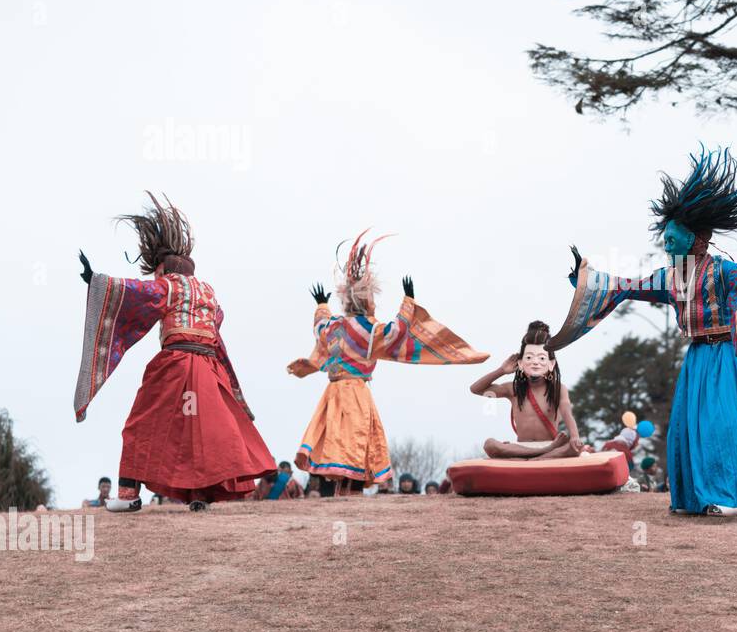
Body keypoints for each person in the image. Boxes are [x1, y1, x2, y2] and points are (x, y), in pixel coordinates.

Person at [548, 146, 737, 518]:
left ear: (698, 240)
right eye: (667, 239)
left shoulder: (722, 271)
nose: (668, 244)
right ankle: (693, 498)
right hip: (696, 357)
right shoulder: (670, 277)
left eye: (674, 239)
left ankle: (726, 495)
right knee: (685, 428)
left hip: (727, 355)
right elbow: (624, 286)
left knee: (718, 424)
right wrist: (583, 278)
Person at [74, 193, 272, 512]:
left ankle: (127, 495)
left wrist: (95, 281)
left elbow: (137, 293)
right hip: (208, 369)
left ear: (162, 267)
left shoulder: (169, 286)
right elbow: (217, 320)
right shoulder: (207, 290)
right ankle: (200, 496)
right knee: (201, 431)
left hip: (176, 364)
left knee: (141, 423)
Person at [288, 231, 488, 495]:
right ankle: (352, 489)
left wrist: (322, 305)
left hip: (333, 392)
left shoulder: (333, 326)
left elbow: (319, 328)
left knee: (335, 437)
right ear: (369, 299)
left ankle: (338, 489)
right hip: (356, 392)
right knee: (356, 439)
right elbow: (396, 332)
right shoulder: (369, 330)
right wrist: (408, 302)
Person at [471, 321, 588, 460]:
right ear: (520, 363)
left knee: (574, 448)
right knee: (490, 444)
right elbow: (476, 389)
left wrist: (575, 436)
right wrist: (501, 371)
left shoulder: (558, 389)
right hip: (524, 447)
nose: (535, 362)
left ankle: (534, 458)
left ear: (551, 364)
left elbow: (567, 412)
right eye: (529, 357)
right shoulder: (513, 389)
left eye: (542, 358)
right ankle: (539, 457)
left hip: (550, 444)